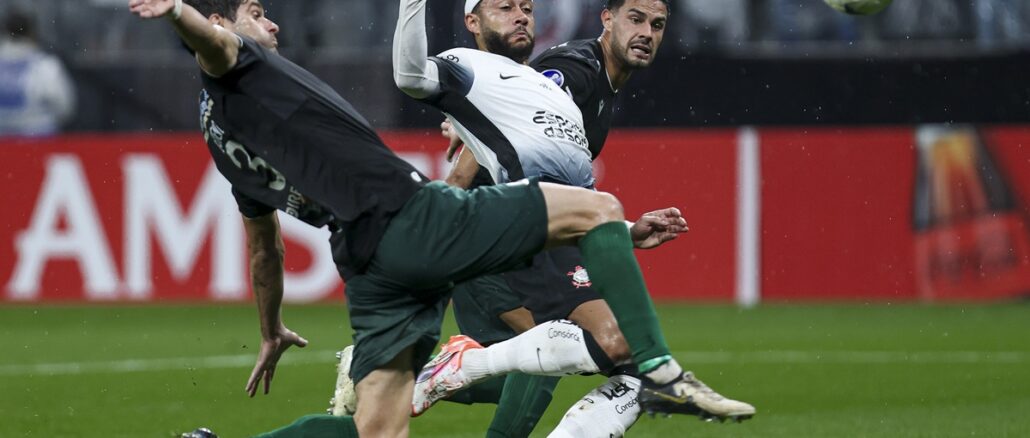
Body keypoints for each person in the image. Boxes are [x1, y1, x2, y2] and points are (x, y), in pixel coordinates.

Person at [129, 0, 703, 436]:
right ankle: (462, 365)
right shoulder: (242, 64)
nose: (273, 24)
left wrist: (270, 326)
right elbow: (217, 47)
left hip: (365, 255)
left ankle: (449, 369)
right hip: (422, 219)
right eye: (257, 13)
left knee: (386, 423)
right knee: (582, 333)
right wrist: (179, 12)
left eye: (527, 6)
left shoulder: (225, 132)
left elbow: (264, 247)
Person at [386, 0, 755, 433]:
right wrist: (462, 147)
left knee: (565, 362)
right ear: (607, 19)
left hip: (533, 229)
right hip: (504, 234)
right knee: (579, 350)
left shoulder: (601, 88)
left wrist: (623, 230)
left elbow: (531, 134)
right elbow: (516, 112)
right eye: (635, 19)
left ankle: (395, 375)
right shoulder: (574, 69)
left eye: (657, 24)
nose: (646, 33)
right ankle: (451, 367)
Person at [0, 8, 76, 136]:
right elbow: (65, 108)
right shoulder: (45, 66)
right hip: (38, 141)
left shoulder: (45, 66)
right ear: (32, 34)